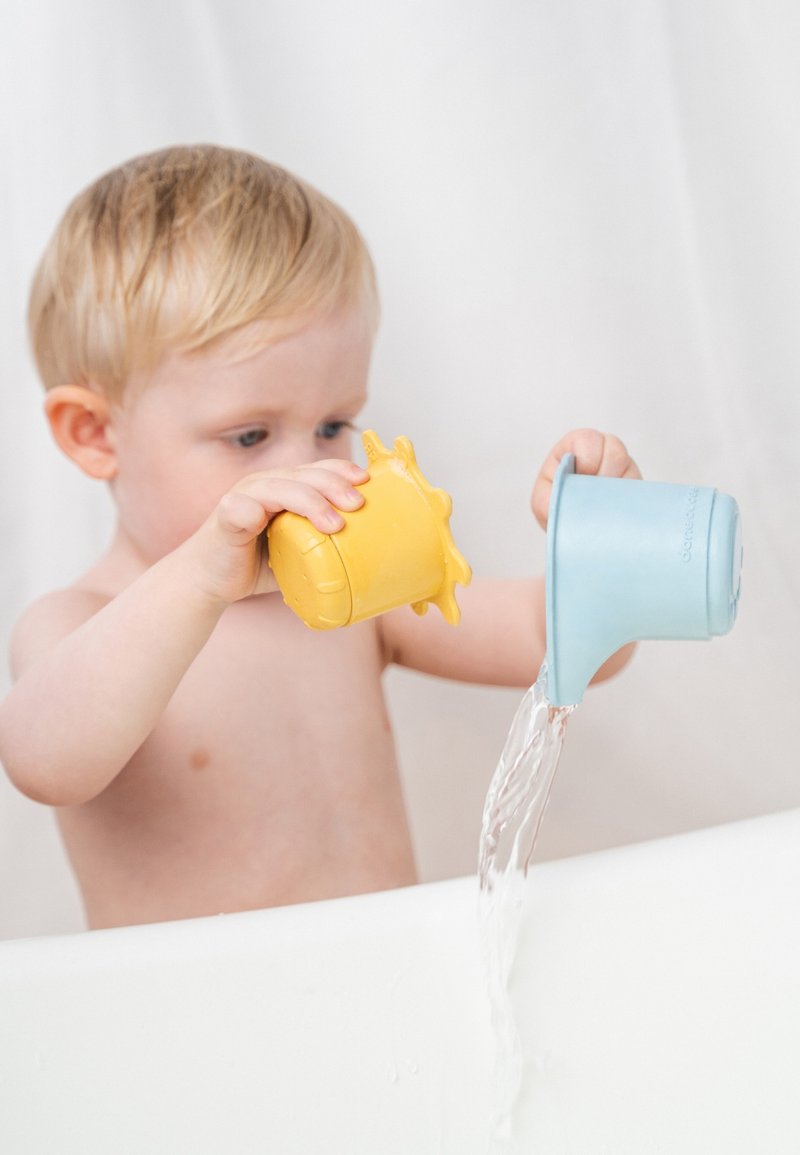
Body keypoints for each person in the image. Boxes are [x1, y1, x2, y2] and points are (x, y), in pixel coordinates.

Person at [0, 145, 640, 930]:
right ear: (95, 433)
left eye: (333, 425)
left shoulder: (354, 600)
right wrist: (202, 577)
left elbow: (574, 650)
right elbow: (43, 763)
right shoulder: (80, 622)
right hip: (196, 1032)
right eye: (249, 436)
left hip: (377, 1001)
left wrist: (602, 548)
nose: (307, 470)